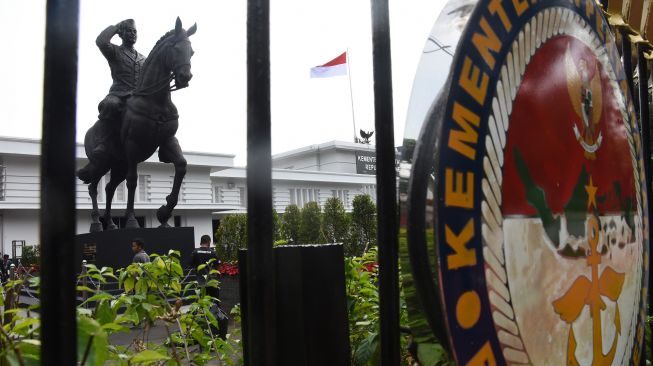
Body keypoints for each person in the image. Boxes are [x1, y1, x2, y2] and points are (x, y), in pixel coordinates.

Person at [92, 19, 146, 163]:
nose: (133, 34)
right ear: (121, 34)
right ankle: (102, 142)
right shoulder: (114, 51)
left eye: (135, 31)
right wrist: (116, 27)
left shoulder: (143, 58)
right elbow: (101, 41)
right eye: (129, 30)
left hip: (138, 96)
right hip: (119, 94)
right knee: (110, 104)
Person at [189, 235, 227, 339]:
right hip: (212, 282)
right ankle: (217, 329)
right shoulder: (213, 252)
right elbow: (218, 265)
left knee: (202, 305)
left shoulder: (195, 252)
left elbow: (191, 265)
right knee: (215, 305)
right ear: (209, 242)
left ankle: (203, 329)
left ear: (201, 242)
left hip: (201, 283)